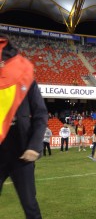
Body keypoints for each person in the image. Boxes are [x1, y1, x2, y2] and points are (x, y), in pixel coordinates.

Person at [0, 33, 48, 219]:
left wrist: (34, 146)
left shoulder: (26, 80)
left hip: (22, 154)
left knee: (30, 206)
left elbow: (41, 113)